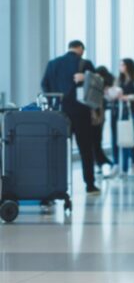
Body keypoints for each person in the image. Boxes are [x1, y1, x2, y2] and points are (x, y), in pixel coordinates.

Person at [41, 40, 100, 195]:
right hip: (81, 112)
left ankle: (53, 187)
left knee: (56, 150)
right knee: (85, 149)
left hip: (59, 113)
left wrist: (54, 104)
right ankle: (90, 185)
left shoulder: (52, 64)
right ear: (80, 49)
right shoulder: (85, 64)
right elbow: (96, 87)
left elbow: (44, 85)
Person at [113, 58, 134, 176]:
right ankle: (125, 165)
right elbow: (114, 91)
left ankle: (128, 165)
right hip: (120, 111)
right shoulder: (118, 79)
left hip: (133, 111)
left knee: (129, 137)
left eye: (123, 65)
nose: (120, 67)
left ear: (128, 66)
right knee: (124, 137)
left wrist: (127, 97)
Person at [92, 66, 115, 176]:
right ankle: (101, 163)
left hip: (97, 116)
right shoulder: (108, 83)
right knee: (97, 141)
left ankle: (101, 163)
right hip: (100, 116)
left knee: (95, 142)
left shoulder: (98, 85)